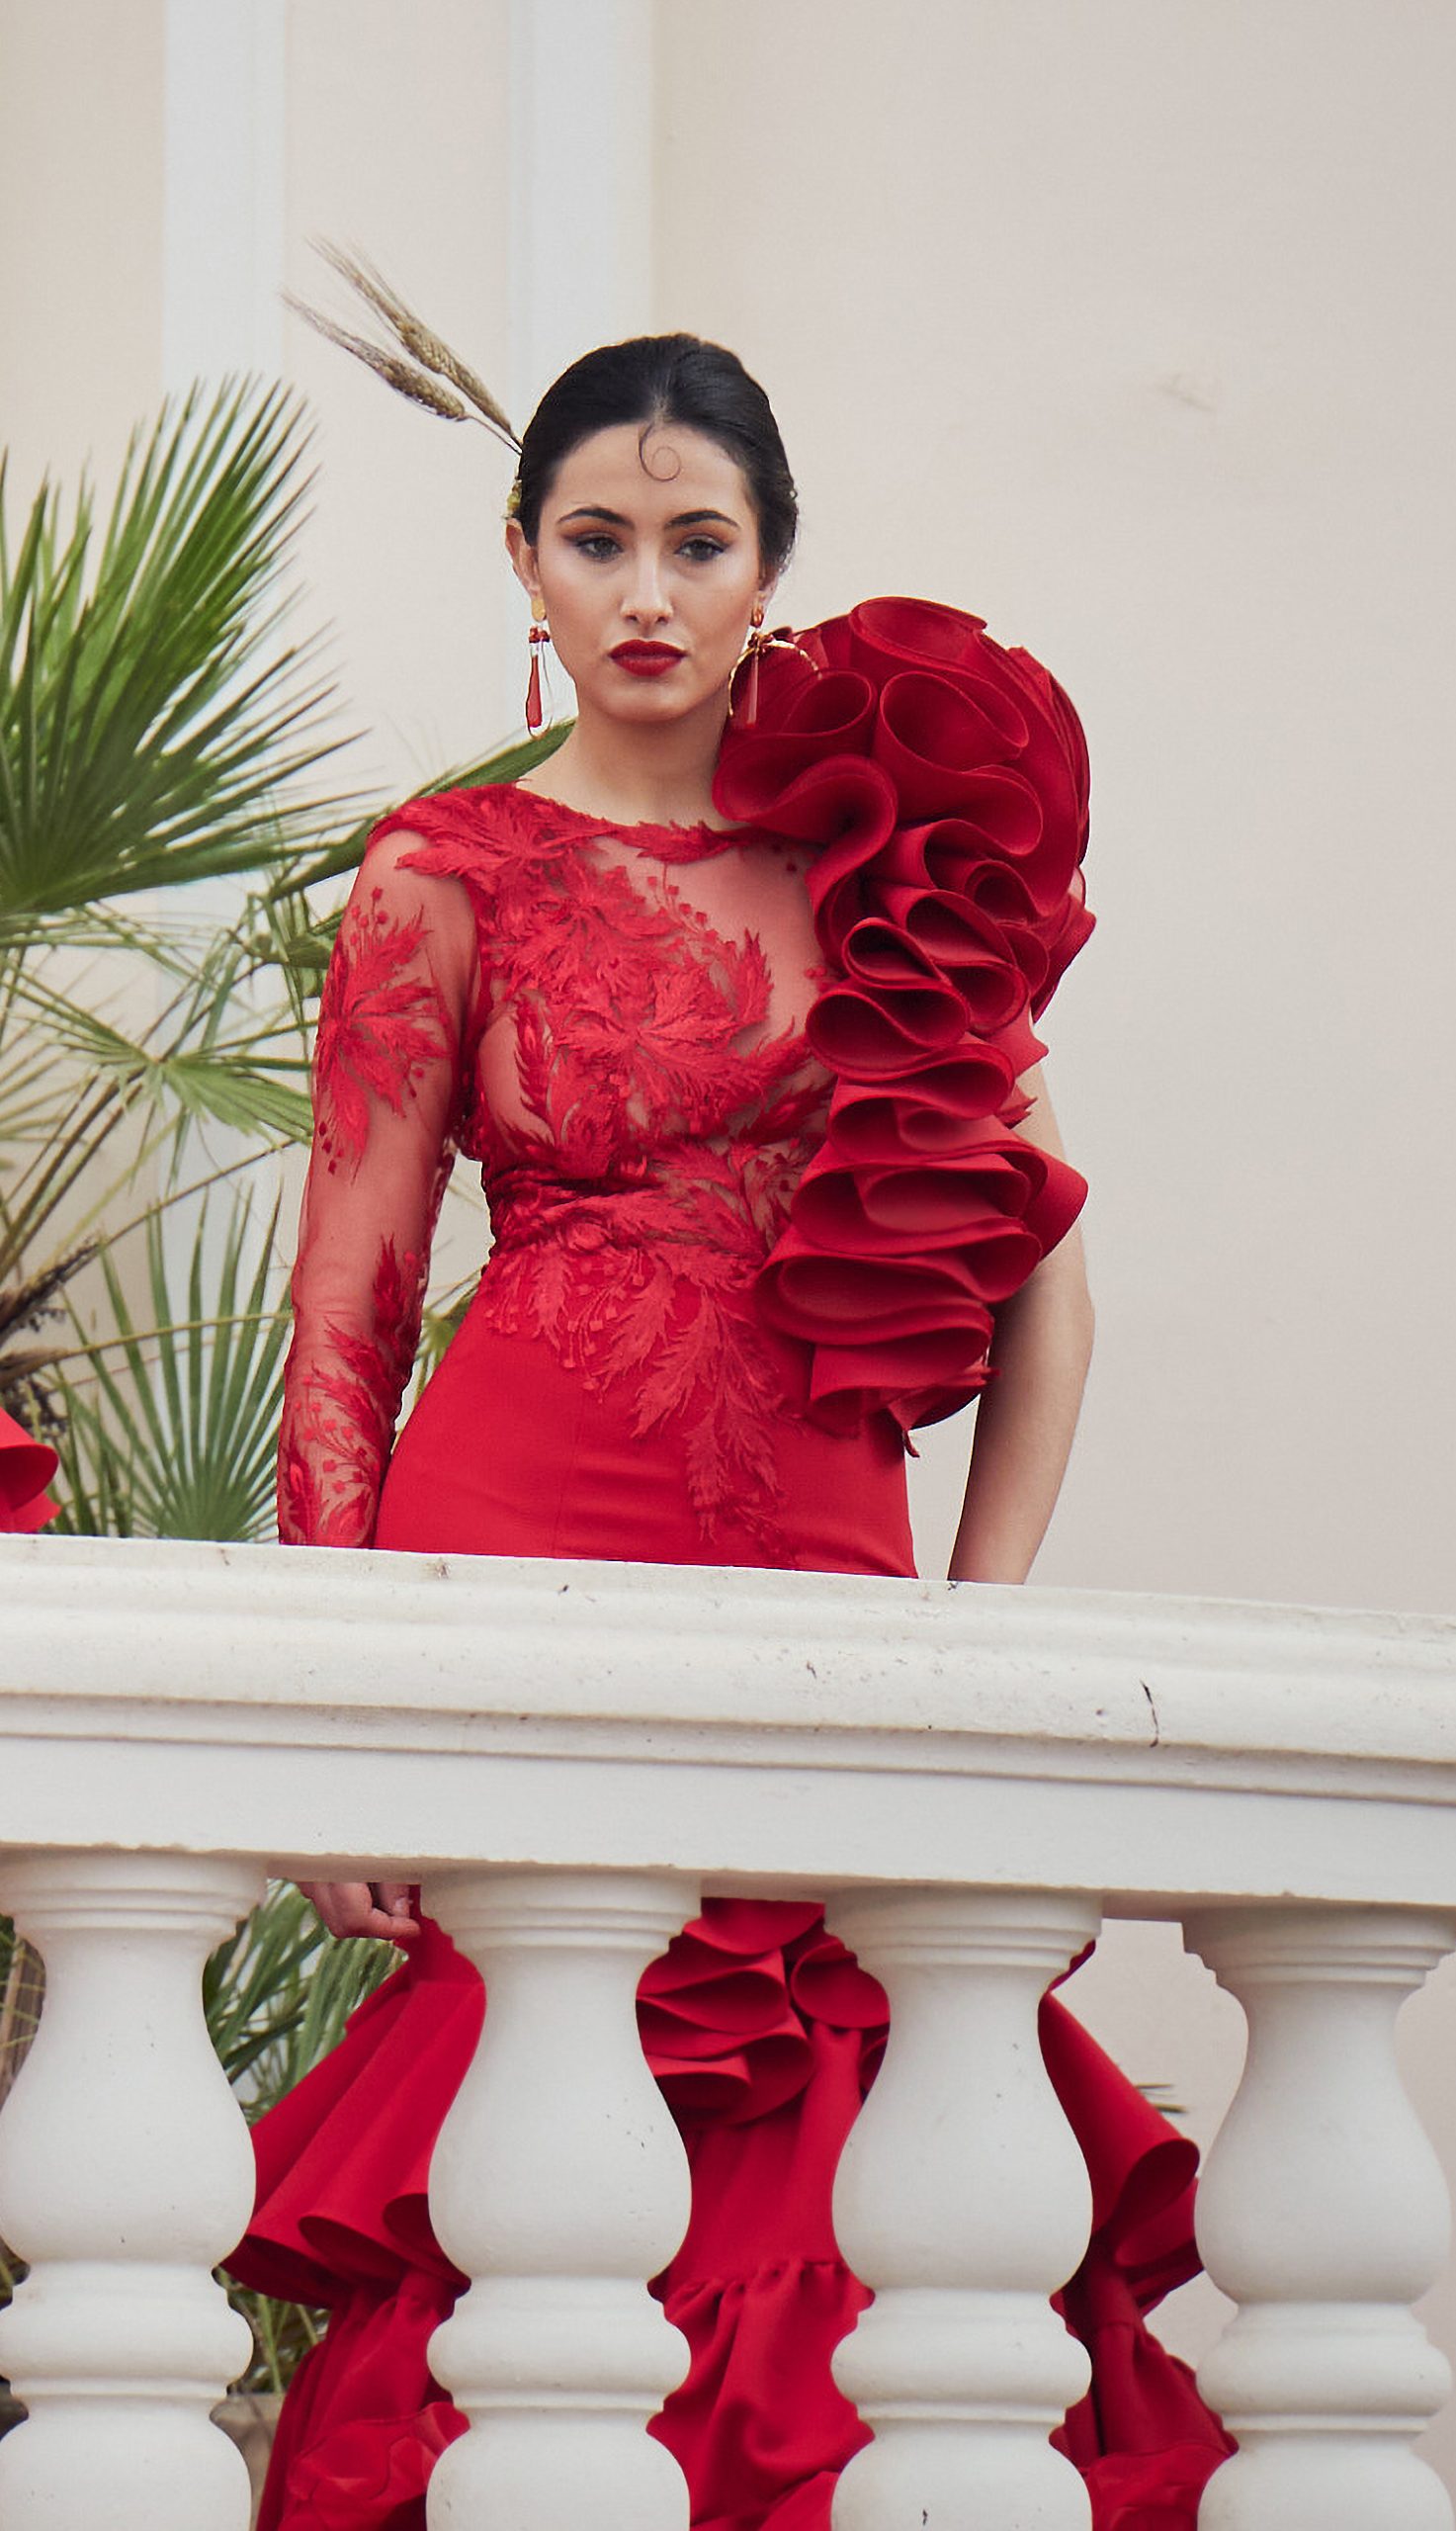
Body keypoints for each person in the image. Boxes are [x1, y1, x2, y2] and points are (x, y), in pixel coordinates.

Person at [226, 334, 1232, 2529]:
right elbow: (352, 1294)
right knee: (541, 2151)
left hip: (822, 1565)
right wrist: (333, 1705)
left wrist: (982, 1633)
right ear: (524, 562)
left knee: (869, 2149)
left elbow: (1045, 1278)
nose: (648, 589)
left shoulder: (887, 877)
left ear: (773, 573)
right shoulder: (445, 867)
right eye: (598, 539)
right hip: (518, 1547)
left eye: (700, 542)